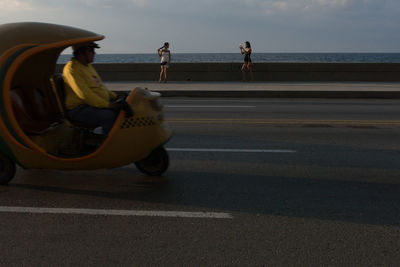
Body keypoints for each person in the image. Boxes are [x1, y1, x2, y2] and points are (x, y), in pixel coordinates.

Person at [62, 42, 122, 135]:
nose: (94, 53)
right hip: (79, 109)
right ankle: (107, 145)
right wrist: (107, 105)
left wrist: (116, 96)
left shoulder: (88, 66)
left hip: (92, 106)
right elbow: (84, 94)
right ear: (80, 53)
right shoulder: (72, 69)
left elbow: (100, 87)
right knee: (110, 116)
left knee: (123, 112)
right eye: (91, 50)